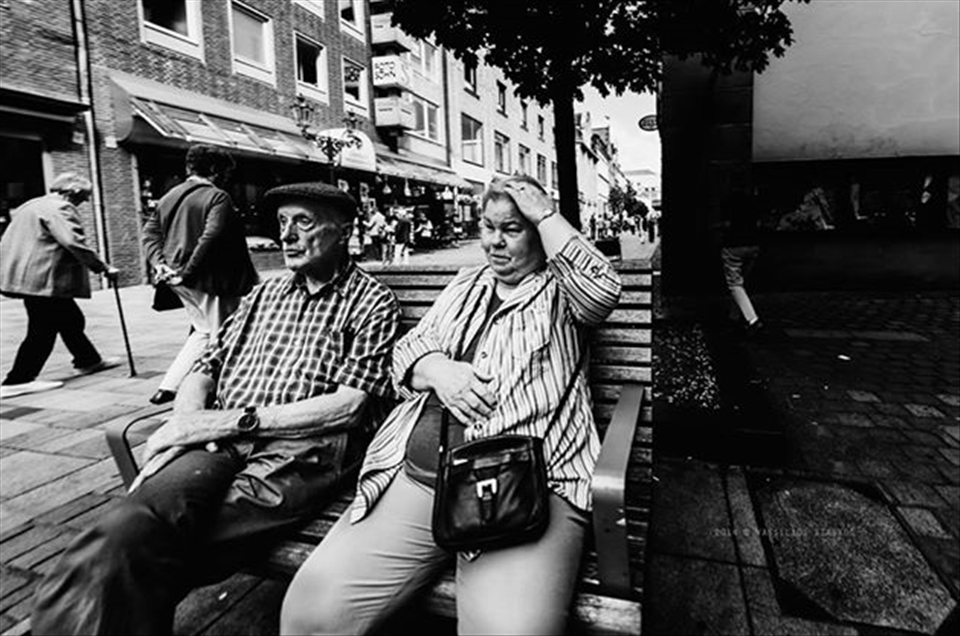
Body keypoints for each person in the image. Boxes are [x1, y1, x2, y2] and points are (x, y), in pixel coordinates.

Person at [31, 182, 401, 635]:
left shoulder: (371, 301)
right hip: (219, 440)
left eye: (303, 222)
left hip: (303, 448)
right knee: (130, 527)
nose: (287, 235)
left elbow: (349, 406)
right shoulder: (264, 295)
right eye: (282, 223)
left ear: (344, 232)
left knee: (131, 552)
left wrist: (231, 421)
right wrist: (187, 422)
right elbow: (205, 367)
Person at [281, 175, 622, 635]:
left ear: (540, 234)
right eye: (487, 227)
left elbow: (603, 289)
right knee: (308, 617)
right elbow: (406, 350)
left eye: (512, 229)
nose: (494, 243)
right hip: (420, 477)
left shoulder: (562, 293)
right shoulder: (467, 284)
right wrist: (437, 369)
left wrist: (544, 212)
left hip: (521, 486)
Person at [141, 144, 258, 405]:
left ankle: (168, 386)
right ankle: (220, 394)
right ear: (215, 170)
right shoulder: (217, 197)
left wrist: (161, 264)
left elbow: (149, 234)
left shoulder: (170, 196)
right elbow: (211, 236)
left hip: (178, 278)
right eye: (226, 172)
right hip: (213, 280)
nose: (227, 178)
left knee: (203, 331)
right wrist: (188, 272)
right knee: (223, 337)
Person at [0, 173, 121, 399]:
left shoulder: (32, 205)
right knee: (42, 329)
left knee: (71, 320)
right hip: (44, 279)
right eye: (84, 196)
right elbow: (72, 241)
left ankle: (88, 360)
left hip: (31, 277)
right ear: (73, 191)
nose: (85, 201)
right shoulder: (60, 208)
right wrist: (103, 267)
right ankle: (17, 380)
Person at [720, 191, 764, 336]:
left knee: (735, 285)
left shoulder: (728, 201)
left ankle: (753, 320)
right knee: (741, 284)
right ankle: (734, 317)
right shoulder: (753, 201)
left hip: (733, 245)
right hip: (753, 244)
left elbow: (726, 224)